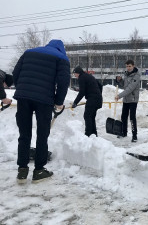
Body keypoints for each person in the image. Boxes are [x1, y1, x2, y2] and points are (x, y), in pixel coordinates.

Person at [12, 39, 70, 183]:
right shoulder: (62, 58)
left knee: (24, 134)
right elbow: (63, 82)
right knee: (42, 135)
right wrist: (59, 102)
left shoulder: (29, 52)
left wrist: (23, 88)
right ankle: (38, 171)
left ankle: (22, 170)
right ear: (61, 49)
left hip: (23, 97)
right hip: (44, 100)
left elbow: (15, 73)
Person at [72, 66, 103, 137]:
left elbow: (82, 92)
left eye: (75, 74)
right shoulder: (89, 76)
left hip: (92, 99)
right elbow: (100, 86)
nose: (75, 76)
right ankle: (94, 134)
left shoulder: (81, 78)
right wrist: (98, 94)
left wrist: (75, 102)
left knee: (87, 116)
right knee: (91, 116)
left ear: (78, 73)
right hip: (98, 99)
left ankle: (88, 134)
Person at [115, 60, 141, 142]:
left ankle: (134, 135)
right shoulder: (126, 74)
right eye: (127, 66)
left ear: (133, 66)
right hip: (126, 99)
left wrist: (119, 95)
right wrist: (120, 80)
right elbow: (125, 85)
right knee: (124, 116)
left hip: (133, 99)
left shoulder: (136, 75)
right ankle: (124, 132)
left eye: (129, 66)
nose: (128, 68)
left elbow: (130, 88)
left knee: (132, 117)